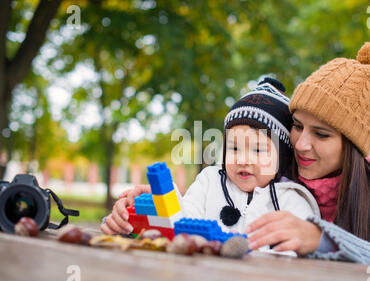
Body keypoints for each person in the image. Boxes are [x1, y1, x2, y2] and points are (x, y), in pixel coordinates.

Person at [101, 78, 320, 257]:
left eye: (258, 150)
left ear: (281, 157)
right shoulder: (210, 182)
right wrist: (157, 204)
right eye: (234, 148)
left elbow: (304, 255)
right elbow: (180, 223)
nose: (244, 159)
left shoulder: (293, 200)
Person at [245, 42, 370, 265]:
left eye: (322, 134)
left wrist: (322, 239)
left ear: (353, 147)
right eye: (297, 126)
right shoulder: (269, 175)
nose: (301, 144)